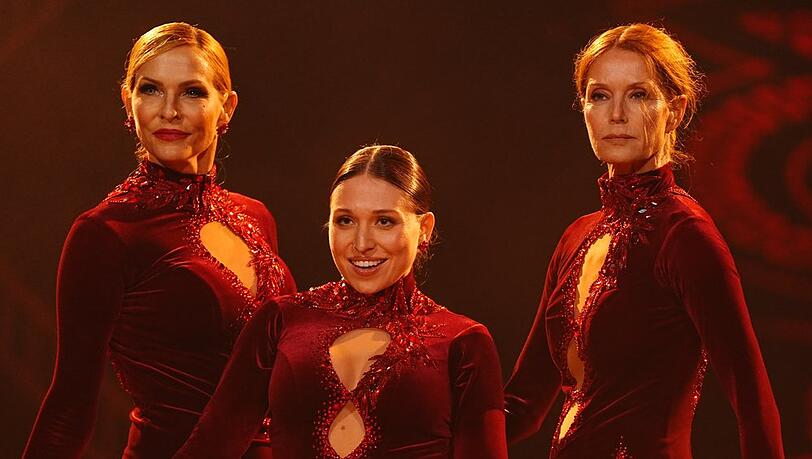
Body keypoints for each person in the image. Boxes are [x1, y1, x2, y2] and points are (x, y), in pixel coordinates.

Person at [504, 23, 784, 458]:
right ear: (584, 108)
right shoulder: (576, 237)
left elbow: (752, 401)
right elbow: (522, 404)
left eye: (638, 95)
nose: (616, 114)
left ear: (675, 110)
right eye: (600, 96)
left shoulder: (684, 235)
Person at [23, 22, 295, 458]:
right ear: (127, 102)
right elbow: (68, 410)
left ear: (226, 107)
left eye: (192, 92)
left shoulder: (256, 217)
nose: (169, 110)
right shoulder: (106, 233)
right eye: (150, 90)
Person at [173, 145, 507, 458]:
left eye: (384, 221)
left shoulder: (464, 342)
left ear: (424, 229)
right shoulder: (280, 320)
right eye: (345, 220)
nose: (361, 243)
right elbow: (210, 445)